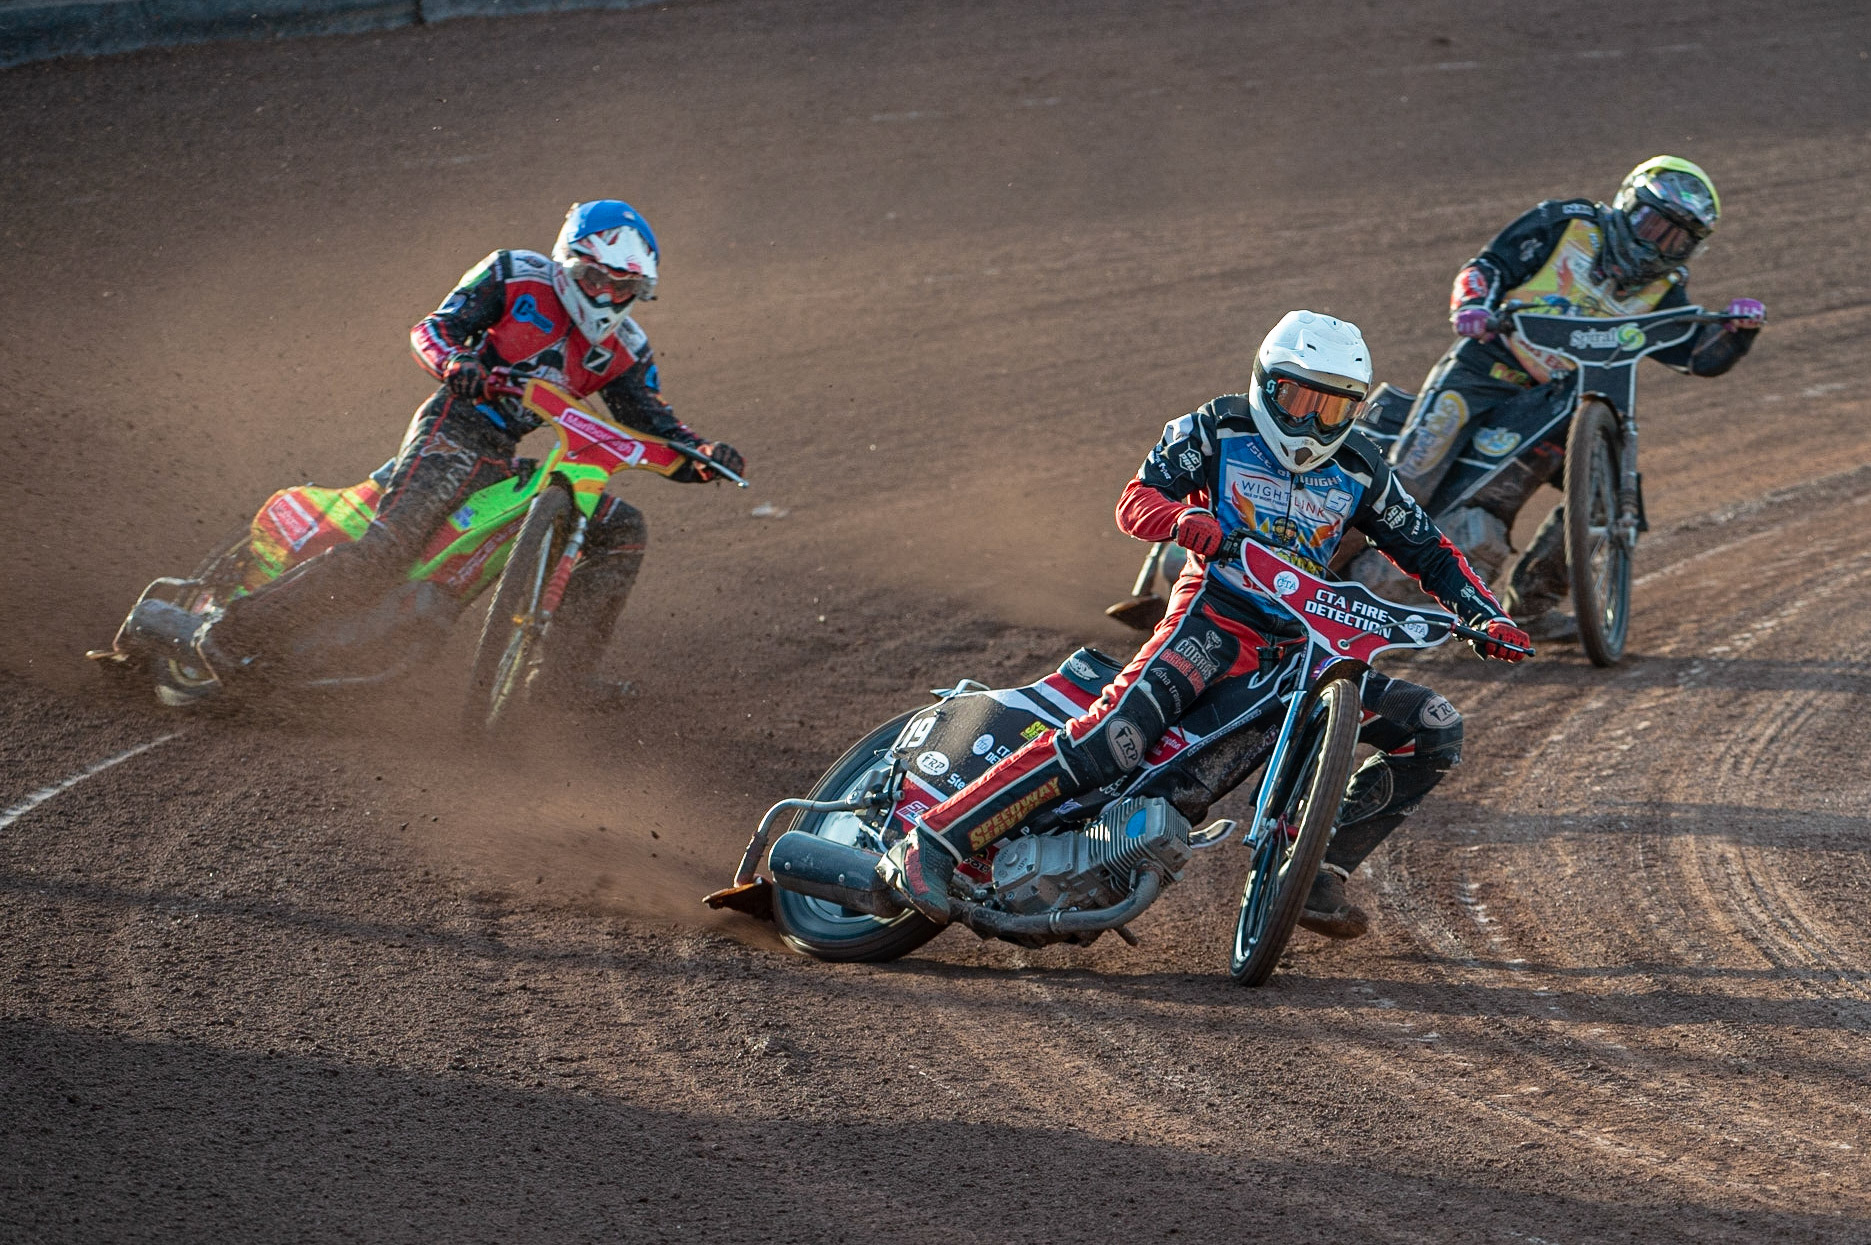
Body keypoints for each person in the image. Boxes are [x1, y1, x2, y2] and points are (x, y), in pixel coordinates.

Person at [879, 311, 1530, 939]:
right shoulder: (1215, 427)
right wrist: (1181, 522)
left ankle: (1316, 870)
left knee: (1433, 728)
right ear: (1263, 380)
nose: (1307, 419)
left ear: (1353, 410)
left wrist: (1485, 614)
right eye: (1295, 397)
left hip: (1301, 644)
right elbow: (1135, 501)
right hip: (1210, 614)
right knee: (1113, 739)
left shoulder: (1361, 466)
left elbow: (1428, 551)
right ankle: (934, 840)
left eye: (1329, 408)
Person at [202, 199, 743, 700]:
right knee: (384, 552)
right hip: (453, 430)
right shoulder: (514, 275)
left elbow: (653, 422)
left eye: (622, 287)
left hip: (503, 458)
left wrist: (704, 456)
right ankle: (229, 635)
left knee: (624, 529)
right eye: (594, 278)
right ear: (568, 263)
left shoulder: (625, 350)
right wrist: (457, 364)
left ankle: (562, 682)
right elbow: (432, 330)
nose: (604, 295)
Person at [1381, 156, 1765, 637]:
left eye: (1675, 237)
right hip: (1488, 366)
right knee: (1413, 474)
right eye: (1651, 223)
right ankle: (1321, 574)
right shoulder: (1564, 224)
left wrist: (1738, 332)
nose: (1657, 243)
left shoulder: (1665, 291)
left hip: (1567, 401)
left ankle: (1529, 608)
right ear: (1628, 204)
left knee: (1612, 502)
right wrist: (1473, 305)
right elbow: (1487, 266)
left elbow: (1698, 356)